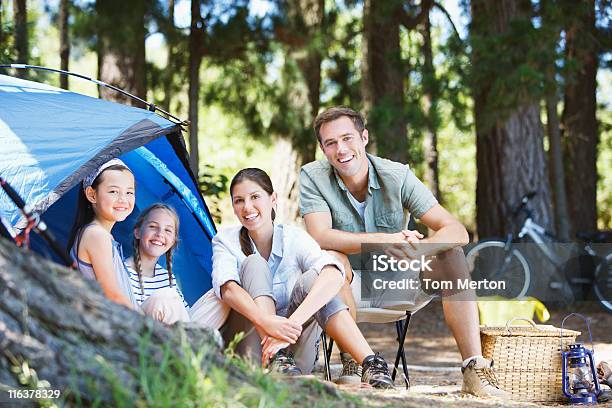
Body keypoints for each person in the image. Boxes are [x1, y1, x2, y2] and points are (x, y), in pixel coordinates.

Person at [299, 106, 508, 397]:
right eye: (331, 143)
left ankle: (474, 369)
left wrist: (418, 249)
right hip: (344, 287)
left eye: (347, 138)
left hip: (395, 283)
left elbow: (456, 230)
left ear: (364, 137)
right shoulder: (312, 176)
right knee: (332, 259)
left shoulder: (396, 176)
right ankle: (354, 359)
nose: (341, 149)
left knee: (451, 254)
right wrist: (386, 240)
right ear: (322, 148)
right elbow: (320, 236)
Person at [212, 168, 395, 388]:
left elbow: (334, 274)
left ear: (273, 199)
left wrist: (290, 325)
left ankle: (370, 363)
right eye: (239, 200)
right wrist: (266, 322)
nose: (247, 207)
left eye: (255, 197)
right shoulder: (226, 240)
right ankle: (275, 357)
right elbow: (227, 288)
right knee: (254, 263)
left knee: (314, 279)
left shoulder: (293, 237)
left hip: (294, 354)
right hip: (251, 348)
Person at [67, 158, 139, 309]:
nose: (123, 199)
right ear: (92, 195)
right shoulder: (96, 235)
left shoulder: (102, 235)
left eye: (129, 192)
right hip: (117, 323)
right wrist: (152, 329)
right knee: (166, 301)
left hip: (125, 316)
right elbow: (113, 295)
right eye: (113, 191)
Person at [124, 203, 191, 325]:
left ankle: (203, 337)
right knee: (165, 297)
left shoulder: (166, 277)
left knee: (216, 296)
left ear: (173, 241)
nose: (160, 234)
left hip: (174, 330)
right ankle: (192, 341)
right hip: (140, 333)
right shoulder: (123, 271)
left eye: (168, 230)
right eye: (153, 226)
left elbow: (185, 313)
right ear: (137, 232)